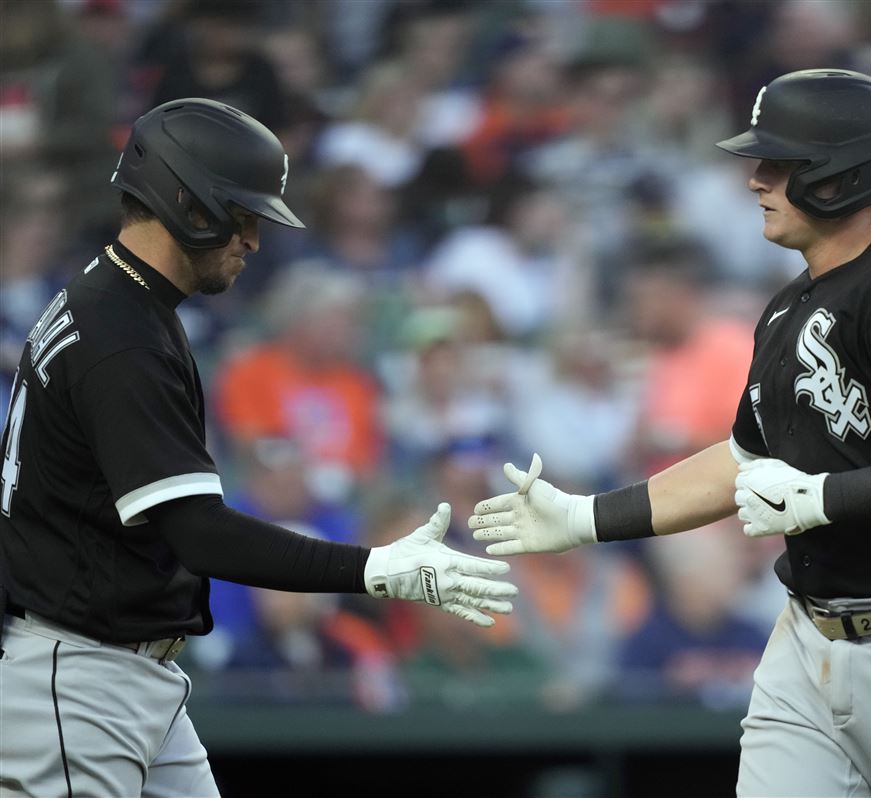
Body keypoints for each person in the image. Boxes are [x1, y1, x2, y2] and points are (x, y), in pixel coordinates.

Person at [470, 69, 871, 797]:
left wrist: (825, 498)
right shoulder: (788, 304)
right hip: (808, 638)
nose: (756, 180)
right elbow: (745, 457)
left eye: (780, 163)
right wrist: (588, 517)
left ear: (841, 175)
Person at [0, 98, 516, 798]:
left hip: (127, 670)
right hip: (80, 676)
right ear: (187, 202)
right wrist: (377, 566)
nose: (254, 239)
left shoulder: (122, 303)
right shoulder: (119, 332)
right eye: (241, 215)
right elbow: (202, 537)